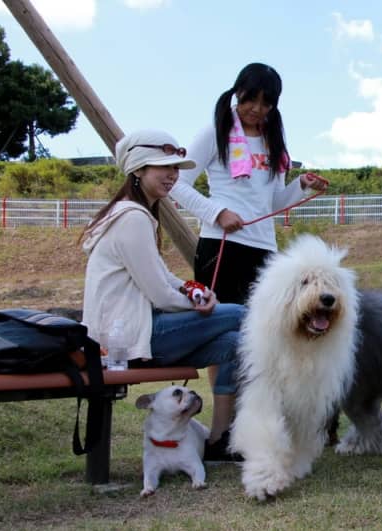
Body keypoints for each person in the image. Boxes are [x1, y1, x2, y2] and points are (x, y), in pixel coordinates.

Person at [80, 129, 244, 462]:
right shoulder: (133, 218)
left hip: (130, 335)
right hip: (132, 337)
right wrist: (198, 302)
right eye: (162, 166)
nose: (172, 175)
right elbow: (159, 295)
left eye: (176, 167)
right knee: (243, 315)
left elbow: (163, 277)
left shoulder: (133, 213)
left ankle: (218, 439)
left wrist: (193, 289)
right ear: (138, 170)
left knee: (235, 343)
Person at [170, 62, 327, 304]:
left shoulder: (273, 144)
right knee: (220, 323)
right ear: (238, 93)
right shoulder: (214, 134)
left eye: (266, 103)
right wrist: (218, 213)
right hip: (222, 244)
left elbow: (273, 205)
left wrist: (302, 185)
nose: (256, 108)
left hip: (264, 247)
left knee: (261, 329)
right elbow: (177, 184)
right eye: (250, 99)